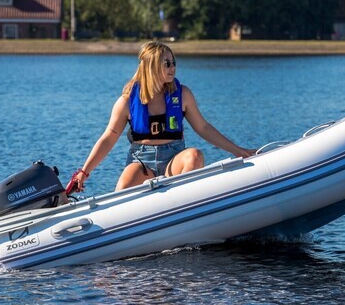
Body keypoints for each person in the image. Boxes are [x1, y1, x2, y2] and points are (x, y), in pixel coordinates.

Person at [67, 41, 255, 194]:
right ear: (151, 66)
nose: (173, 67)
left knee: (195, 155)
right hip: (142, 162)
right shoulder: (126, 102)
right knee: (124, 185)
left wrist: (238, 151)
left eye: (174, 62)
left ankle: (185, 208)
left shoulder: (183, 95)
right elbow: (108, 138)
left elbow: (203, 128)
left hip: (174, 159)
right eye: (167, 64)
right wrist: (84, 172)